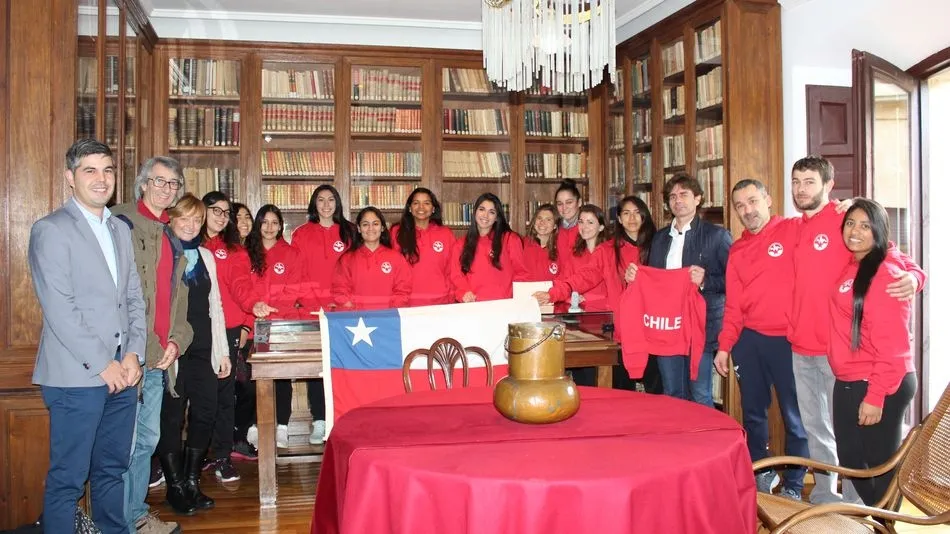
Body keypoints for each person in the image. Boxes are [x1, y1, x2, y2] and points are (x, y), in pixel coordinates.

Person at [787, 155, 923, 504]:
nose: (801, 189)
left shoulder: (847, 222)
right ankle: (830, 498)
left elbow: (892, 256)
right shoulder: (794, 229)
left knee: (867, 451)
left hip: (854, 360)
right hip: (809, 350)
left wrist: (915, 276)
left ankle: (864, 511)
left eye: (809, 182)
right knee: (827, 434)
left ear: (828, 186)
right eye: (796, 182)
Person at [29, 139, 146, 534]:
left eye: (108, 170)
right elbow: (59, 308)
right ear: (70, 177)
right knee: (69, 479)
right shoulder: (51, 229)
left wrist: (133, 354)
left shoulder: (119, 229)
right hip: (76, 378)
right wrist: (102, 363)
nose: (102, 178)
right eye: (90, 170)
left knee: (112, 470)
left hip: (123, 375)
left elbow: (134, 299)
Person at [712, 179, 809, 501]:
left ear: (768, 199)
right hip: (748, 341)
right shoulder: (737, 250)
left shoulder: (795, 229)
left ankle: (794, 484)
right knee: (753, 412)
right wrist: (724, 346)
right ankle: (762, 472)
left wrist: (909, 273)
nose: (747, 210)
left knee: (795, 415)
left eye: (752, 201)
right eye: (740, 206)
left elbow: (854, 239)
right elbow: (734, 305)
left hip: (788, 341)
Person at [111, 156, 193, 534]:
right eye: (159, 181)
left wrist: (176, 341)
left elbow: (178, 300)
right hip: (126, 356)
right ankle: (118, 522)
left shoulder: (172, 236)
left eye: (173, 183)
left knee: (147, 440)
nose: (166, 189)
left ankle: (136, 515)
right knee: (122, 444)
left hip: (159, 358)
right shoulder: (119, 222)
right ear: (143, 184)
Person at [829, 198, 917, 506]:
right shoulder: (856, 263)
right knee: (852, 460)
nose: (855, 231)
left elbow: (893, 347)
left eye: (865, 226)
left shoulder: (885, 275)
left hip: (878, 380)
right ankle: (881, 517)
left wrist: (876, 396)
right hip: (851, 378)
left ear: (879, 230)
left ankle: (886, 521)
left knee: (879, 468)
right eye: (851, 223)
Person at [155, 194, 231, 516]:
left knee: (206, 412)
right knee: (172, 418)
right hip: (171, 351)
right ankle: (175, 487)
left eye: (197, 220)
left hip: (203, 349)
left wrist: (222, 351)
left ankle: (191, 482)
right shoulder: (162, 253)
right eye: (184, 218)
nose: (190, 225)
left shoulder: (206, 256)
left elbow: (216, 305)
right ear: (171, 219)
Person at [201, 191, 276, 483]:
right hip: (194, 328)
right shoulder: (189, 241)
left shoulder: (234, 250)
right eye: (215, 211)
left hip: (228, 328)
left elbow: (242, 285)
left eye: (225, 212)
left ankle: (223, 456)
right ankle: (197, 455)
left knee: (225, 394)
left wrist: (252, 308)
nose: (221, 217)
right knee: (198, 396)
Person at [647, 174, 732, 407]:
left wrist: (706, 281)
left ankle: (706, 433)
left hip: (700, 327)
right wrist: (636, 278)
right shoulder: (660, 238)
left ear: (698, 199)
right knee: (672, 392)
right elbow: (653, 280)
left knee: (700, 394)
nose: (678, 201)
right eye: (672, 196)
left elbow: (735, 282)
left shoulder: (717, 236)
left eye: (684, 194)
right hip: (667, 326)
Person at [291, 185, 356, 444]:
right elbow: (298, 273)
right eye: (321, 200)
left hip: (345, 313)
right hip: (312, 311)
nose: (326, 205)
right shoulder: (301, 234)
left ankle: (344, 418)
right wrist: (311, 302)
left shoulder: (350, 231)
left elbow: (355, 269)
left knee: (345, 367)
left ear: (337, 203)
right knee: (317, 368)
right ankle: (319, 420)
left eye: (331, 200)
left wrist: (345, 302)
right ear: (314, 204)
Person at [244, 204, 301, 450]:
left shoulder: (291, 253)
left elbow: (294, 289)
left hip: (281, 323)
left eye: (274, 223)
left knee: (282, 376)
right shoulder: (246, 251)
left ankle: (282, 427)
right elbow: (242, 287)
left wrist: (271, 311)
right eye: (264, 222)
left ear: (281, 226)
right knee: (254, 377)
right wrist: (256, 310)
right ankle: (255, 425)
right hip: (252, 324)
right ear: (258, 224)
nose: (269, 227)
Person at [450, 192, 527, 302]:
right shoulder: (460, 244)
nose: (485, 215)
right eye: (482, 209)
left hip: (504, 306)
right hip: (473, 306)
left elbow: (521, 274)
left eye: (491, 212)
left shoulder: (510, 239)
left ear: (497, 217)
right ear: (474, 212)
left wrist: (515, 300)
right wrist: (464, 293)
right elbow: (456, 276)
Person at [333, 207, 412, 310]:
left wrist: (388, 313)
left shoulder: (396, 258)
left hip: (388, 317)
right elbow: (340, 291)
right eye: (365, 224)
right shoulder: (347, 259)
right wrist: (355, 311)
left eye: (375, 224)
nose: (371, 228)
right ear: (359, 228)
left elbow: (403, 291)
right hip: (357, 318)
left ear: (382, 227)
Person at [390, 187, 456, 306]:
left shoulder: (446, 234)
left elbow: (452, 270)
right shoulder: (397, 232)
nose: (421, 207)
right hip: (407, 303)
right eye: (416, 203)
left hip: (440, 303)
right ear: (410, 208)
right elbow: (392, 271)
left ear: (433, 208)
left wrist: (450, 301)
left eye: (426, 203)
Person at [522, 204, 561, 282]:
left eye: (548, 219)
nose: (542, 222)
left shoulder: (560, 250)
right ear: (534, 222)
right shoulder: (520, 245)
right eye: (539, 218)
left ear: (555, 226)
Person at [554, 179, 582, 263]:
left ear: (579, 202)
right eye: (560, 204)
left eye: (569, 202)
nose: (564, 208)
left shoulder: (589, 228)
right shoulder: (553, 228)